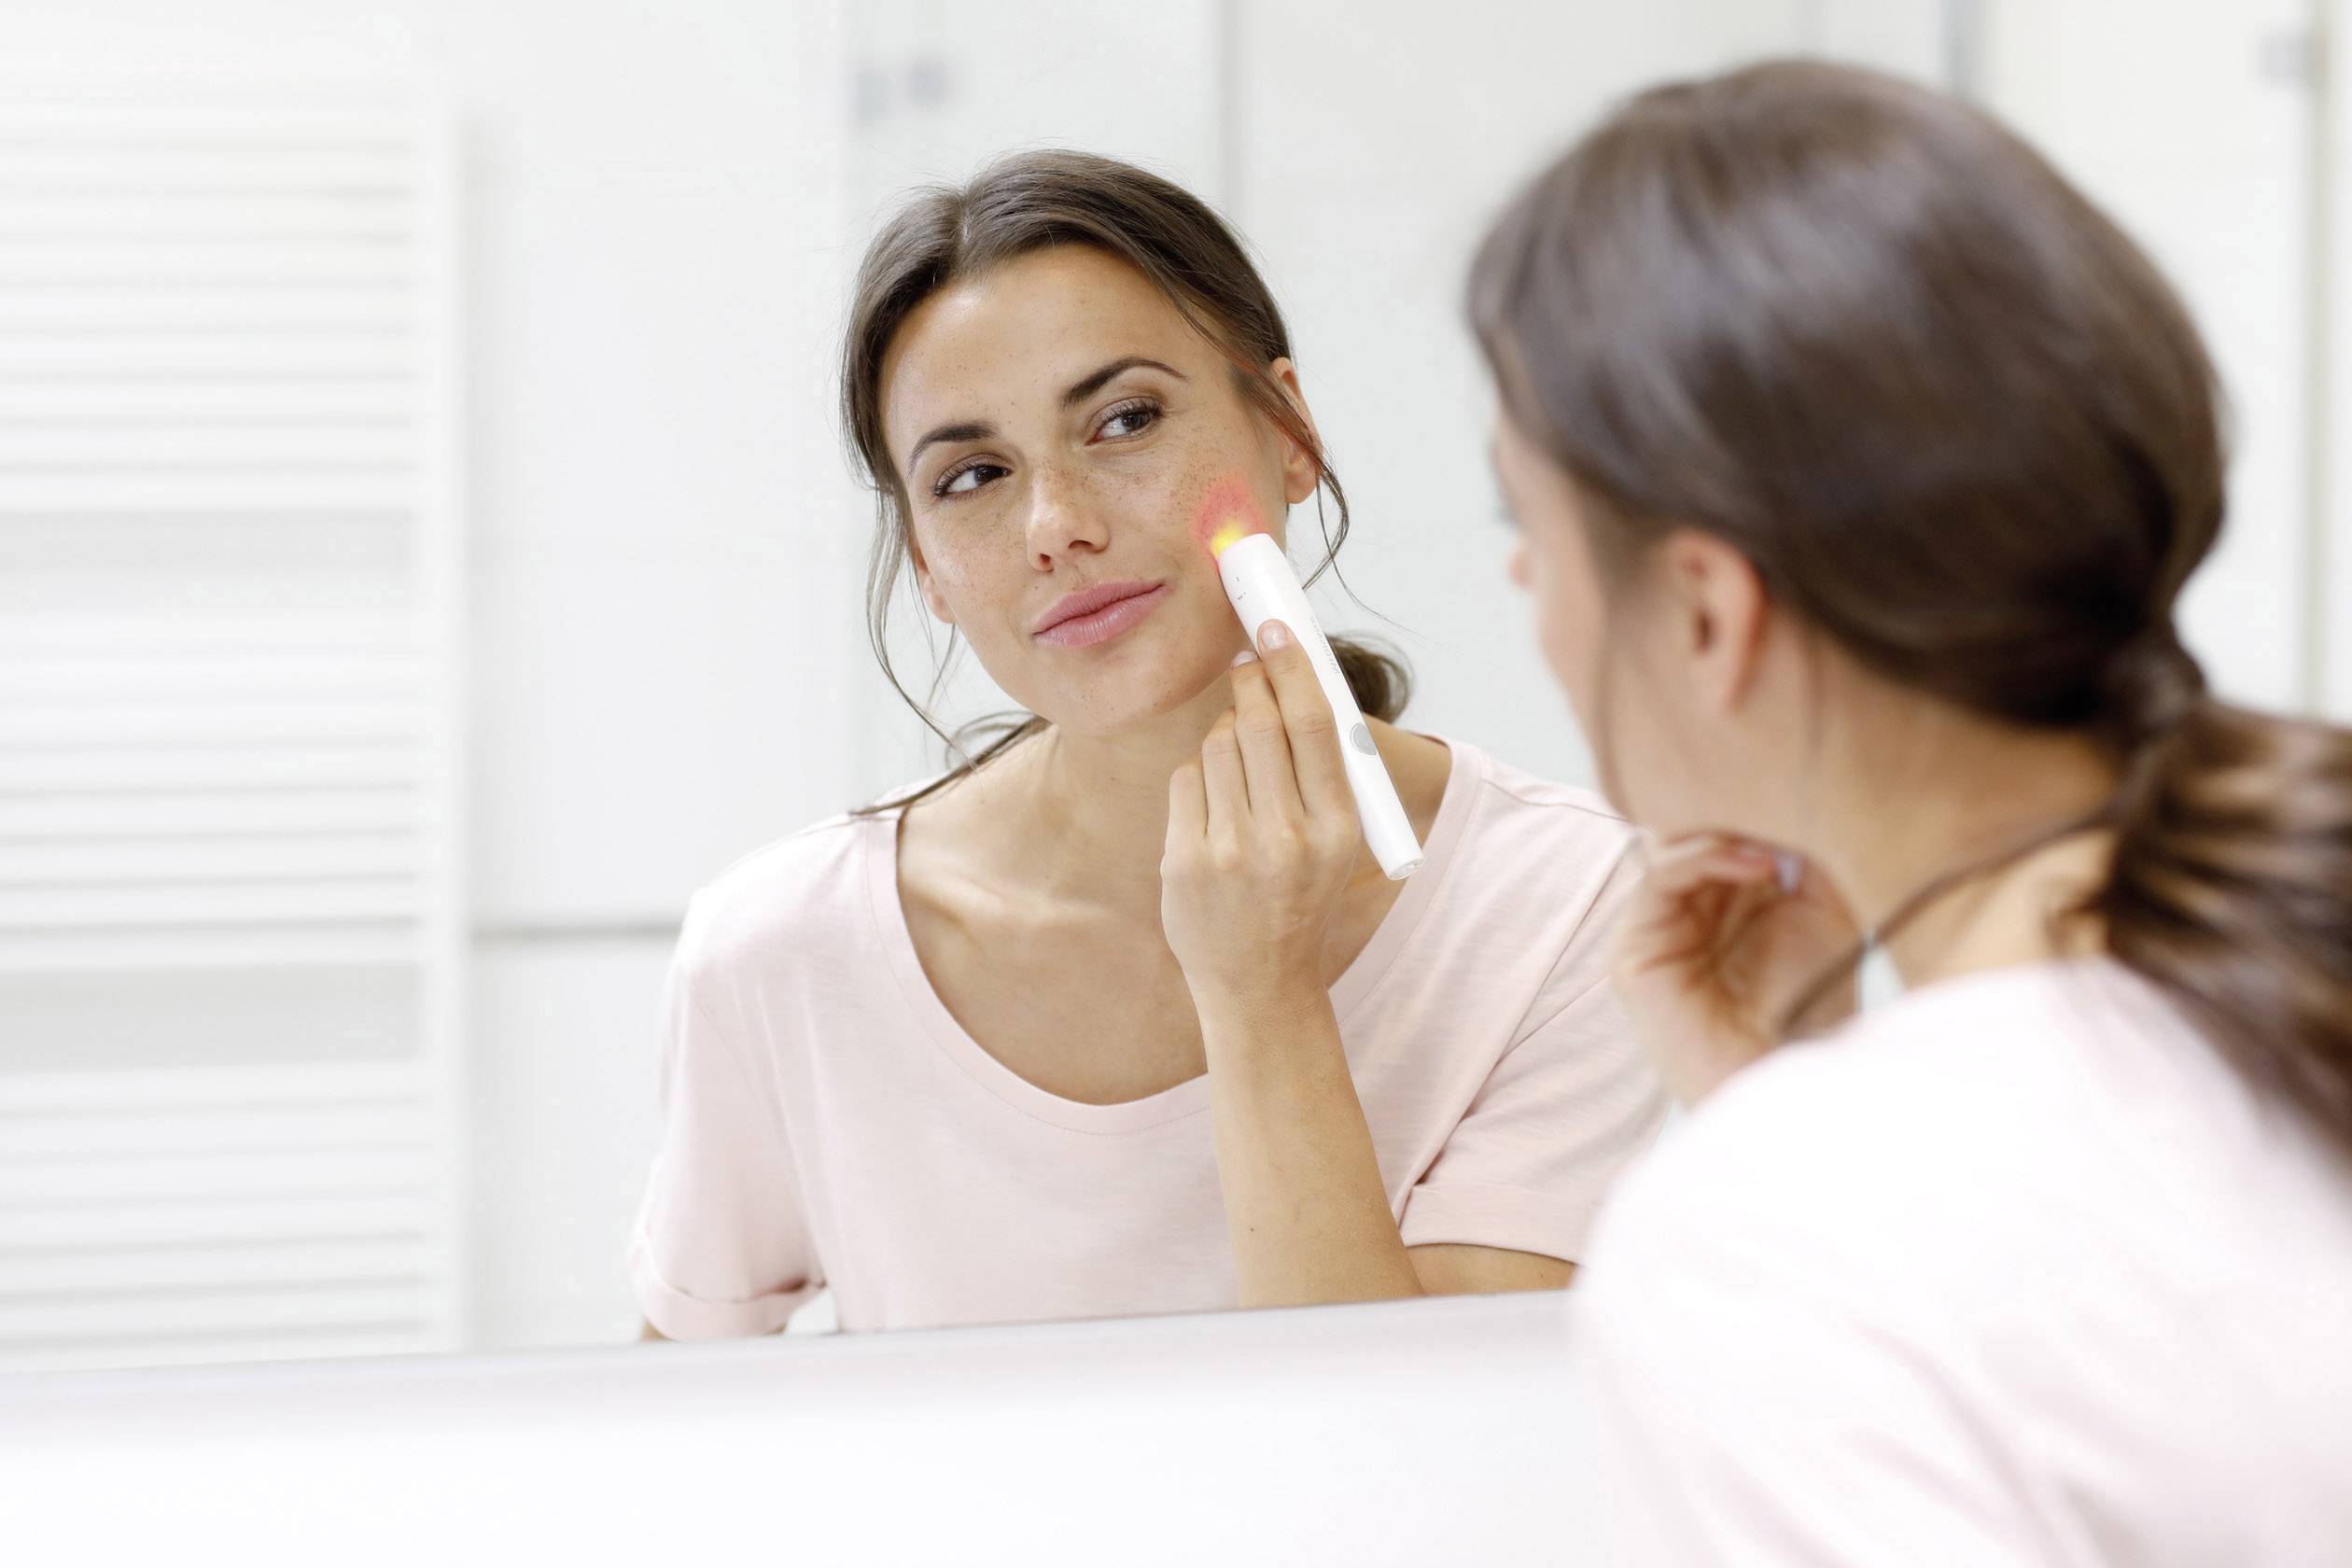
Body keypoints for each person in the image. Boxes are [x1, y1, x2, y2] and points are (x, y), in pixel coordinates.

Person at [1461, 60, 2352, 1561]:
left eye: (1520, 525)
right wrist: (1782, 1106)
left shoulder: (1776, 1240)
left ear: (1701, 610)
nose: (1520, 588)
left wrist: (1787, 1158)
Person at [629, 150, 1666, 1337]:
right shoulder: (784, 952)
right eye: (972, 476)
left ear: (1290, 434)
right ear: (925, 564)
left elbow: (1404, 1449)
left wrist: (1263, 994)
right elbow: (674, 1459)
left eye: (1125, 420)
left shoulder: (1565, 905)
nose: (1056, 527)